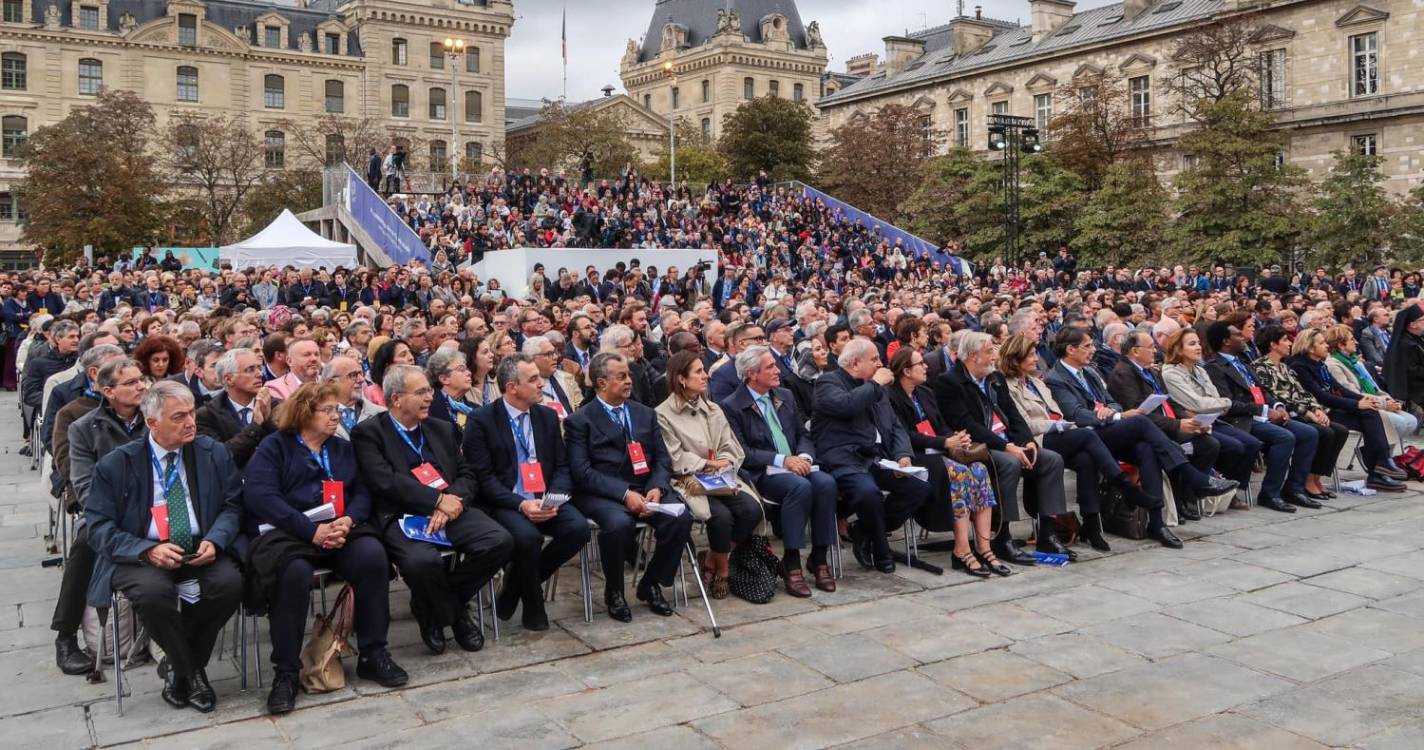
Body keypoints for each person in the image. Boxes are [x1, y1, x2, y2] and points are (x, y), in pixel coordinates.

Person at [242, 382, 406, 713]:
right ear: (304, 412)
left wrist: (349, 520)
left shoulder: (341, 448)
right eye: (328, 411)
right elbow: (261, 496)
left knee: (372, 556)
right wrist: (310, 530)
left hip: (338, 527)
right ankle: (286, 672)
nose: (336, 417)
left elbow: (361, 490)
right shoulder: (275, 447)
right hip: (291, 531)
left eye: (339, 411)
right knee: (293, 573)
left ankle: (374, 653)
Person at [83, 381, 244, 714]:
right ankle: (191, 673)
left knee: (228, 584)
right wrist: (146, 550)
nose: (190, 423)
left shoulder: (212, 452)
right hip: (142, 553)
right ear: (152, 422)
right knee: (154, 594)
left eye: (191, 414)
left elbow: (233, 506)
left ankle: (177, 667)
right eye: (179, 417)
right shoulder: (117, 464)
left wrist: (216, 539)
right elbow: (98, 528)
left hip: (200, 545)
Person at [352, 364, 513, 654]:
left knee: (499, 541)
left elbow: (467, 473)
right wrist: (435, 501)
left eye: (429, 390)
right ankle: (455, 614)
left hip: (451, 509)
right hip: (403, 515)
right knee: (421, 563)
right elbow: (384, 481)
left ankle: (430, 606)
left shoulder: (440, 428)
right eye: (421, 392)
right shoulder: (369, 433)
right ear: (396, 398)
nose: (429, 397)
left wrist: (453, 499)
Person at [999, 336, 1182, 550]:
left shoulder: (1038, 381)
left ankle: (1094, 524)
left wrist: (1109, 411)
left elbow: (1107, 400)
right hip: (1039, 438)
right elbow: (1025, 424)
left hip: (1065, 431)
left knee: (1098, 456)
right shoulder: (1010, 385)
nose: (1036, 358)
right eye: (1030, 355)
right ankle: (1128, 486)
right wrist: (1061, 425)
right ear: (1015, 359)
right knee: (1111, 430)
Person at [1043, 328, 1236, 529]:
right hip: (1089, 433)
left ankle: (1156, 523)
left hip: (1108, 427)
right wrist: (1114, 414)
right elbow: (1076, 413)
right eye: (1087, 346)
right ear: (1070, 350)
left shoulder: (1090, 372)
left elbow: (1112, 401)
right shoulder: (1056, 378)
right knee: (1141, 422)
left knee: (1147, 448)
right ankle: (1192, 476)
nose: (1093, 350)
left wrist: (1112, 409)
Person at [464, 354, 590, 631]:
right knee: (527, 538)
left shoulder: (545, 416)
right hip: (506, 500)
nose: (541, 384)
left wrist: (554, 496)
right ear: (512, 388)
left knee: (578, 529)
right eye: (533, 380)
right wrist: (521, 505)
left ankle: (514, 586)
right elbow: (483, 478)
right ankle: (534, 604)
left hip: (544, 497)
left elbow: (561, 464)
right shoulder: (482, 420)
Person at [566, 352, 693, 622]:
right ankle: (614, 591)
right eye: (621, 376)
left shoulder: (644, 413)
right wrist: (624, 494)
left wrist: (657, 486)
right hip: (605, 491)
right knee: (618, 525)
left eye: (629, 375)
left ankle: (651, 582)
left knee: (680, 516)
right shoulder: (581, 420)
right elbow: (582, 472)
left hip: (646, 484)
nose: (629, 381)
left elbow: (662, 457)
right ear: (601, 383)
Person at [934, 331, 1073, 565]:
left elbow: (1014, 415)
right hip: (981, 446)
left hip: (1008, 441)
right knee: (1009, 463)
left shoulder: (994, 378)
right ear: (972, 355)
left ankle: (1048, 532)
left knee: (1051, 460)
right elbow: (968, 424)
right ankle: (1002, 535)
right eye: (989, 352)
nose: (993, 356)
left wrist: (1027, 440)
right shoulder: (949, 382)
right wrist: (1008, 447)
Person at [51, 358, 149, 676]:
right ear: (107, 391)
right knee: (86, 542)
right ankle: (66, 636)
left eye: (141, 380)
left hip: (155, 508)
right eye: (132, 383)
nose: (141, 386)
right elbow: (84, 485)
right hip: (108, 514)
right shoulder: (81, 425)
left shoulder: (156, 419)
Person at [720, 345, 838, 596]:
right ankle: (792, 562)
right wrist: (783, 460)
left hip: (796, 463)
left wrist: (804, 456)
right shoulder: (732, 405)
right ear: (752, 374)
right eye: (770, 367)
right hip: (764, 473)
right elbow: (743, 452)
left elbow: (803, 434)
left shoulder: (784, 395)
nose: (778, 371)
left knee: (826, 483)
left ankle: (819, 557)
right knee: (800, 487)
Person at [812, 337, 931, 573]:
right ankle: (881, 547)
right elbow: (846, 405)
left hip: (877, 458)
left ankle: (865, 531)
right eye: (874, 359)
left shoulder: (876, 388)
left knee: (919, 486)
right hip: (845, 458)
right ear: (855, 363)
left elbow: (895, 425)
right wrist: (875, 385)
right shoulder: (827, 382)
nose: (880, 364)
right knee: (868, 493)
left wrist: (902, 454)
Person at [885, 348, 1006, 575]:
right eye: (920, 363)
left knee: (979, 469)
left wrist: (957, 438)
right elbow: (904, 434)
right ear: (906, 371)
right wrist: (945, 442)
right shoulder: (890, 397)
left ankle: (984, 545)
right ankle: (961, 550)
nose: (926, 366)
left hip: (940, 451)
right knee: (958, 472)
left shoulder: (925, 392)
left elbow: (940, 425)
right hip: (914, 455)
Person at [656, 351, 764, 600]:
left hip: (721, 476)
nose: (705, 376)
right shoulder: (663, 413)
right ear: (681, 379)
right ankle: (723, 570)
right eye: (698, 372)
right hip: (690, 480)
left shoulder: (713, 408)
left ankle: (714, 560)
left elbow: (728, 442)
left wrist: (725, 460)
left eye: (704, 371)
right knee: (721, 518)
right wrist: (706, 463)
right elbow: (674, 455)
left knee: (752, 510)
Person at [1106, 329, 1223, 520]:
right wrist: (1177, 425)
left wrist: (1189, 419)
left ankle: (1188, 495)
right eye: (1151, 347)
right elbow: (1138, 413)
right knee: (1173, 448)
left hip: (1167, 423)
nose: (1155, 351)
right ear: (1135, 351)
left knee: (1208, 444)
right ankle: (1182, 497)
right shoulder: (1123, 373)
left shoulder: (1151, 370)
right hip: (1150, 430)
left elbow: (1170, 401)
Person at [1159, 327, 1278, 510]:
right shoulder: (1171, 373)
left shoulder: (1200, 370)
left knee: (1252, 444)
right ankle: (1202, 490)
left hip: (1213, 419)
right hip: (1194, 422)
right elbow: (1198, 403)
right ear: (1178, 349)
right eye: (1192, 344)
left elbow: (1214, 399)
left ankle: (1231, 490)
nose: (1198, 347)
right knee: (1231, 446)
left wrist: (1219, 404)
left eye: (1198, 343)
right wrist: (1222, 403)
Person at [1288, 328, 1403, 493]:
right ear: (1310, 348)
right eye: (1321, 343)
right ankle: (1380, 465)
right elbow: (1320, 396)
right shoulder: (1299, 366)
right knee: (1364, 416)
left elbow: (1339, 388)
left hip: (1330, 407)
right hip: (1318, 410)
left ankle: (1380, 467)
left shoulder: (1319, 363)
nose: (1327, 346)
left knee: (1370, 412)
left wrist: (1362, 400)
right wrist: (1356, 405)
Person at [1251, 325, 1348, 504]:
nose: (1289, 344)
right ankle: (1299, 484)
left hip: (1302, 411)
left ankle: (1315, 477)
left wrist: (1315, 408)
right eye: (1285, 340)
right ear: (1273, 344)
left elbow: (1302, 392)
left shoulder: (1285, 367)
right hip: (1286, 413)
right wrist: (1307, 413)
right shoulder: (1260, 367)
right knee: (1319, 432)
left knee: (1340, 430)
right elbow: (1276, 396)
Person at [1325, 323, 1418, 458]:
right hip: (1357, 406)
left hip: (1374, 401)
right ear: (1341, 345)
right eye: (1351, 339)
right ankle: (1379, 458)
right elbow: (1352, 393)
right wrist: (1385, 404)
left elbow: (1375, 388)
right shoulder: (1333, 365)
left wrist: (1389, 400)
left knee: (1411, 421)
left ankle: (1380, 456)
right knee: (1399, 423)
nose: (1356, 342)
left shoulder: (1356, 362)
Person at [195, 348, 276, 469]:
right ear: (228, 379)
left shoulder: (276, 406)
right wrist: (256, 426)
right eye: (250, 370)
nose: (259, 374)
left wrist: (267, 420)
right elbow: (221, 457)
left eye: (260, 368)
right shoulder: (207, 415)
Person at [322, 353, 385, 439]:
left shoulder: (381, 414)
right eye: (353, 375)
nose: (361, 380)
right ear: (331, 383)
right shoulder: (316, 418)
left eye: (361, 374)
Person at [1383, 304, 1424, 410]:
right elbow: (1413, 371)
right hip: (1416, 389)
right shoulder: (1406, 344)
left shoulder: (1416, 338)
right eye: (1422, 320)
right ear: (1412, 324)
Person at [425, 348, 474, 430]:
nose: (469, 373)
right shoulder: (429, 409)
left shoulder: (475, 409)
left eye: (467, 369)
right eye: (461, 369)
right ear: (444, 379)